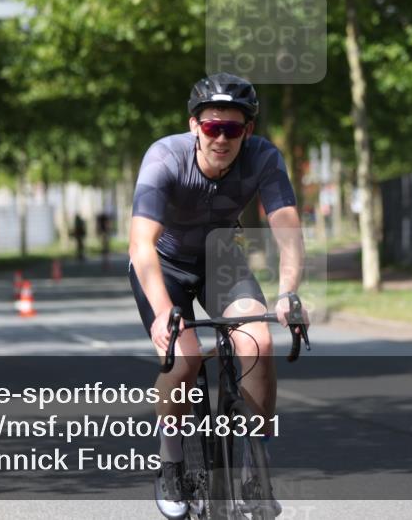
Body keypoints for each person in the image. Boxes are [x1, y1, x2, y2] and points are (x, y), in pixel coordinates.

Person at [128, 72, 308, 518]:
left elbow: (287, 226)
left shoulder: (263, 157)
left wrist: (288, 292)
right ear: (195, 126)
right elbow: (140, 245)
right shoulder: (163, 158)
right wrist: (163, 314)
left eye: (233, 128)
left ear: (247, 131)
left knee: (258, 342)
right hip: (163, 264)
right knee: (185, 359)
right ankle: (171, 464)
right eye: (213, 127)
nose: (222, 138)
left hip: (222, 257)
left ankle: (254, 464)